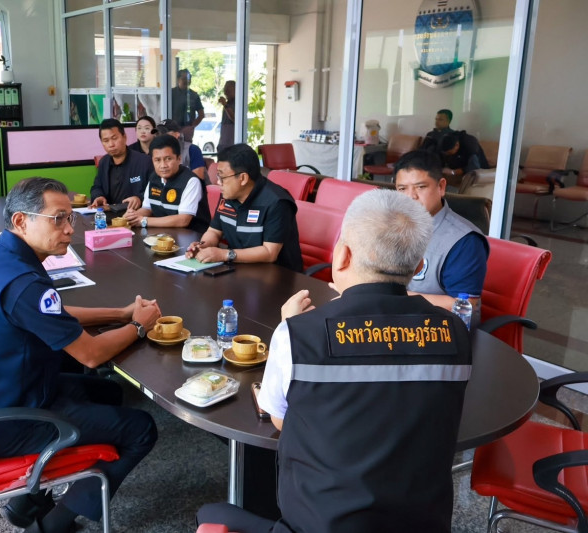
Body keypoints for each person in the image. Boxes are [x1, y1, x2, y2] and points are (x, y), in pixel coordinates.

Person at [197, 189, 472, 533]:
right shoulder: (455, 332)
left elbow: (281, 420)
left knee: (210, 513)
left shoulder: (299, 334)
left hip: (319, 524)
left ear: (341, 255)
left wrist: (290, 327)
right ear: (417, 267)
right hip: (421, 524)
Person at [0, 177, 160, 532]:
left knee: (109, 392)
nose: (68, 229)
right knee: (141, 428)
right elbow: (91, 355)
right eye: (58, 219)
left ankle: (27, 501)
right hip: (11, 420)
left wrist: (121, 313)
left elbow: (50, 312)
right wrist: (140, 326)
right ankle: (51, 526)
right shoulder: (24, 283)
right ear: (21, 221)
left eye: (69, 218)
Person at [394, 150, 489, 327]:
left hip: (438, 329)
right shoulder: (393, 226)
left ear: (441, 187)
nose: (411, 196)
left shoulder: (464, 241)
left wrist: (391, 297)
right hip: (395, 319)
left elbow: (464, 306)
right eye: (402, 189)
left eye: (420, 187)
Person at [186, 144, 302, 272]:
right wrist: (203, 246)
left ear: (242, 178)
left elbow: (270, 253)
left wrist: (225, 254)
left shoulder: (277, 202)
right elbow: (214, 231)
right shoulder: (228, 195)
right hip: (239, 268)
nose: (218, 182)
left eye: (222, 177)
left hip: (277, 275)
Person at [124, 134, 211, 233]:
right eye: (157, 160)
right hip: (164, 235)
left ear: (179, 159)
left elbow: (183, 220)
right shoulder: (154, 177)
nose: (163, 165)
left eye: (168, 159)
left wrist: (144, 221)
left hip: (193, 236)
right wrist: (132, 216)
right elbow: (147, 209)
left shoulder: (191, 181)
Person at [89, 119, 153, 211]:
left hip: (135, 214)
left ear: (124, 137)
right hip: (110, 214)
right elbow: (97, 187)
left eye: (114, 138)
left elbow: (155, 189)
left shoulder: (144, 162)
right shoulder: (104, 162)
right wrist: (98, 196)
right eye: (106, 141)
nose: (111, 144)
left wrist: (139, 198)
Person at [171, 69, 204, 142]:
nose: (187, 81)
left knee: (186, 148)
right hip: (172, 131)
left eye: (189, 78)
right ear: (178, 79)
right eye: (184, 78)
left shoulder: (194, 95)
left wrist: (192, 127)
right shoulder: (171, 93)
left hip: (187, 132)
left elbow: (201, 114)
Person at [217, 80, 235, 153]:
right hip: (224, 142)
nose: (225, 93)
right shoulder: (228, 103)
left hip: (231, 143)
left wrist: (225, 105)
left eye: (228, 91)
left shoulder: (238, 103)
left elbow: (234, 118)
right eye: (225, 91)